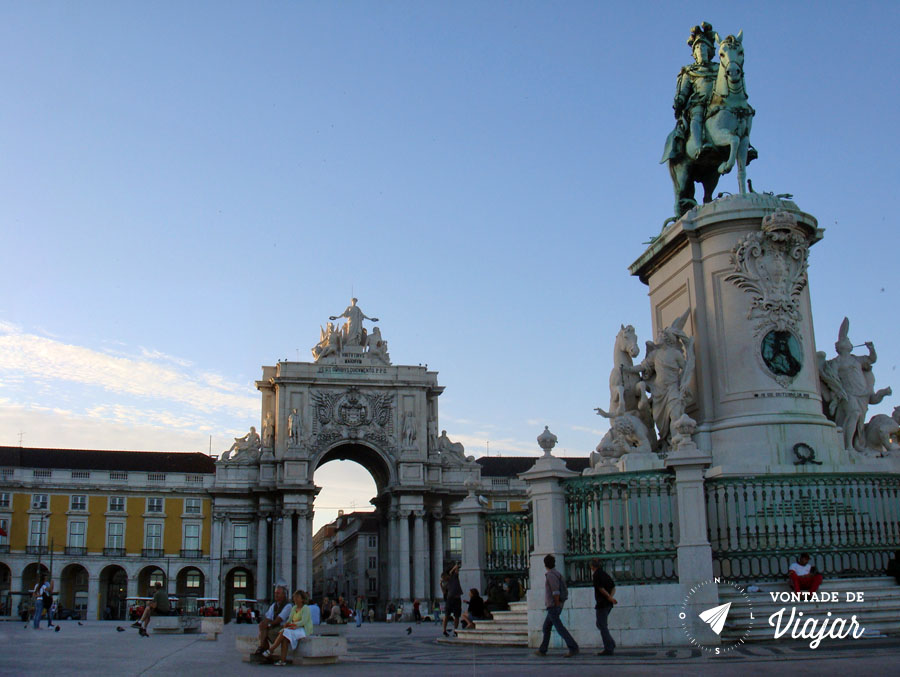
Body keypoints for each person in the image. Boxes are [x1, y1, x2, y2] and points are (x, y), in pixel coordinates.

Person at [536, 554, 578, 658]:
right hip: (554, 605)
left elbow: (555, 591)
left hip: (553, 605)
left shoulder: (551, 575)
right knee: (546, 627)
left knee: (559, 628)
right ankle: (543, 649)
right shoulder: (557, 573)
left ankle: (573, 647)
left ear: (545, 564)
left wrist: (557, 604)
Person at [264, 590, 313, 666]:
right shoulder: (294, 608)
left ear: (302, 599)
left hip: (303, 629)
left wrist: (292, 625)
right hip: (294, 629)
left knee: (284, 632)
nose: (295, 599)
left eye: (297, 597)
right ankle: (282, 660)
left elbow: (304, 622)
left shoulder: (305, 608)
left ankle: (271, 649)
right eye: (294, 597)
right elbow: (289, 619)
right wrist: (287, 624)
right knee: (284, 637)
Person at [252, 585, 291, 657]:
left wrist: (268, 624)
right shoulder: (274, 605)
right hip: (274, 627)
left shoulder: (288, 606)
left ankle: (263, 649)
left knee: (263, 633)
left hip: (283, 628)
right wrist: (263, 623)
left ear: (284, 595)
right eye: (275, 593)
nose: (276, 595)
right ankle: (263, 650)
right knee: (263, 627)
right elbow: (268, 617)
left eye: (278, 593)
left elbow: (279, 619)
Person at [590, 558, 617, 656]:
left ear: (592, 567)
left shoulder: (596, 575)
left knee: (602, 625)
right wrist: (611, 597)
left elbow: (600, 588)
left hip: (602, 604)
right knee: (601, 624)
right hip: (608, 604)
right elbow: (613, 587)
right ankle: (611, 643)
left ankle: (609, 647)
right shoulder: (605, 574)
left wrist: (609, 597)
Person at [443, 564, 462, 637]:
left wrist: (454, 568)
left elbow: (456, 568)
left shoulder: (455, 577)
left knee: (457, 615)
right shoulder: (446, 581)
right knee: (447, 615)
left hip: (456, 598)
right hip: (450, 599)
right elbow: (444, 592)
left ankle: (455, 630)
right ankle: (444, 630)